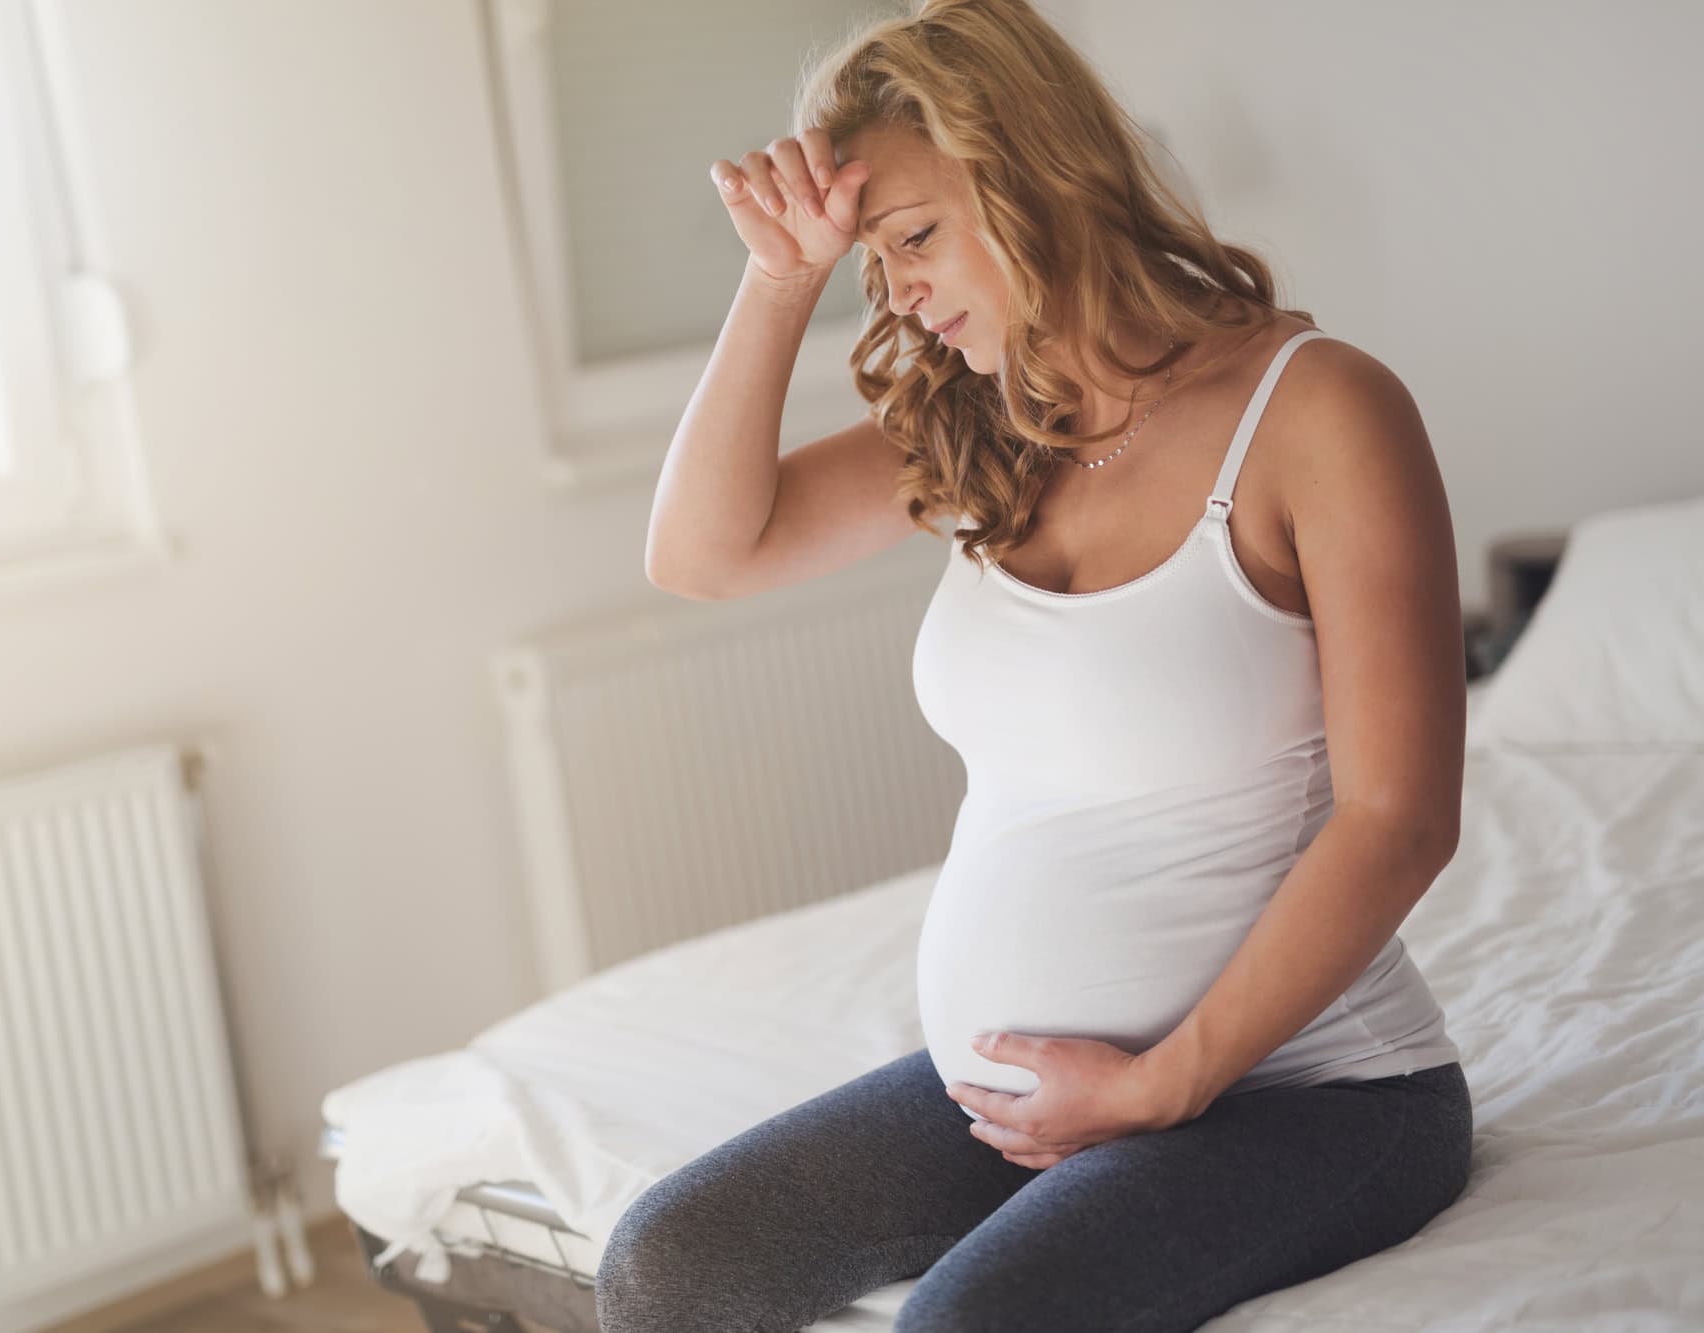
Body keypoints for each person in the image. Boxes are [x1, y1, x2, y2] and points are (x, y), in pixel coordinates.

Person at [617, 0, 1473, 1328]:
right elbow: (702, 553)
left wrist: (1164, 1082)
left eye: (913, 237)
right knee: (672, 1261)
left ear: (1030, 175)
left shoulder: (1320, 412)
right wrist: (782, 279)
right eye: (874, 258)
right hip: (1024, 1099)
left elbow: (1401, 817)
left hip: (1310, 1093)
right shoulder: (984, 425)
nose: (896, 288)